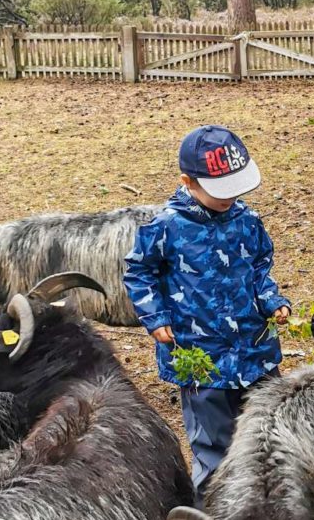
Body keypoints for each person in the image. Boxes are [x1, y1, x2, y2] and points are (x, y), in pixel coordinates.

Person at [124, 125, 290, 497]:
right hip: (201, 358)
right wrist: (155, 317)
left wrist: (272, 301)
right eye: (220, 192)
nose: (230, 199)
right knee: (213, 445)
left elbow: (259, 268)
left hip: (255, 350)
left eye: (236, 189)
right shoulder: (166, 226)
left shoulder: (247, 220)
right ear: (188, 181)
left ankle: (272, 507)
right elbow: (139, 272)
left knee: (269, 431)